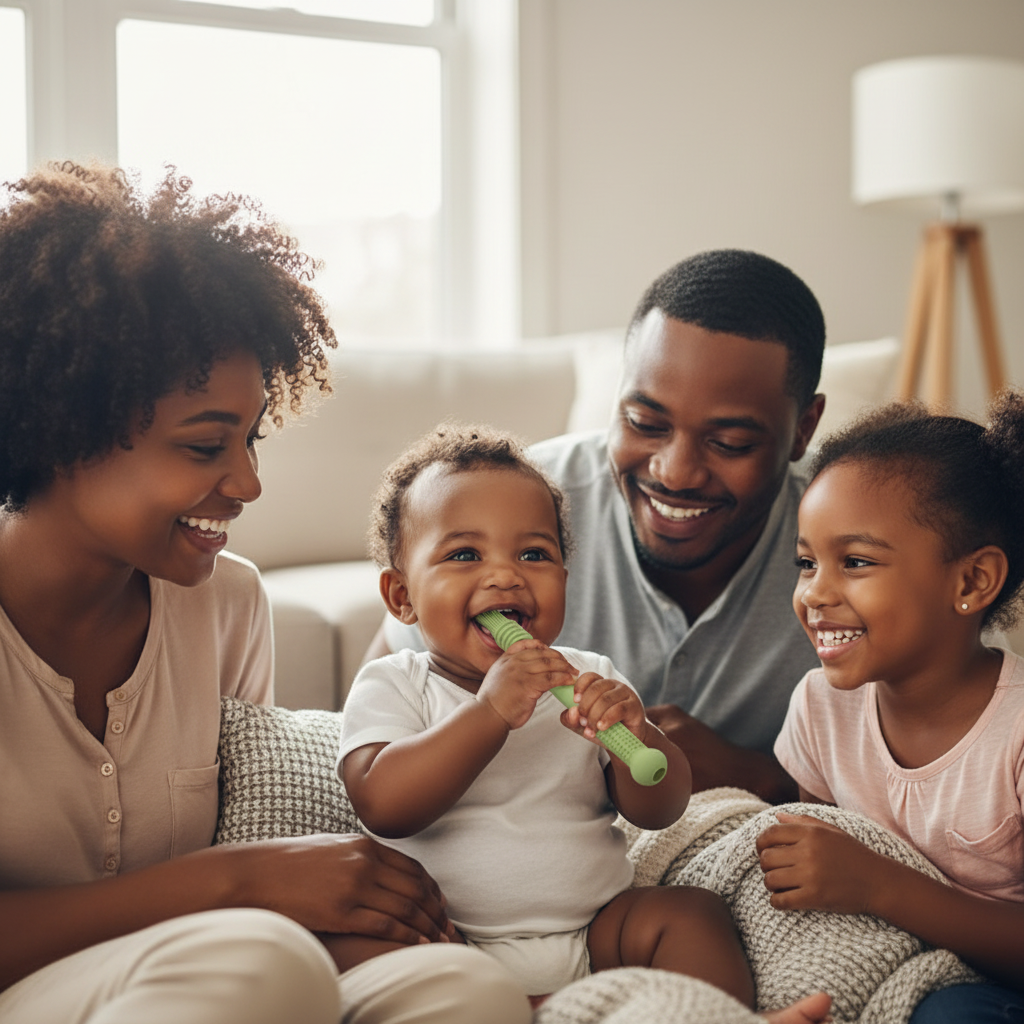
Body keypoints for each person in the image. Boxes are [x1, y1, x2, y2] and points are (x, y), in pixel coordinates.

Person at [0, 162, 530, 1024]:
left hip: (200, 970)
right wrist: (238, 880)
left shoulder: (225, 603)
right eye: (205, 446)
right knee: (256, 957)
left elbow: (250, 847)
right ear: (65, 430)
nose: (248, 484)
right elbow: (240, 889)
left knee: (461, 988)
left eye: (251, 440)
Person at [340, 423, 832, 1023]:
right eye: (464, 555)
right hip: (446, 940)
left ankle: (718, 1018)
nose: (505, 575)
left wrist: (637, 739)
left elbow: (660, 809)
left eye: (534, 554)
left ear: (565, 580)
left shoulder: (588, 677)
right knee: (345, 946)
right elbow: (383, 803)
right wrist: (489, 713)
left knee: (690, 914)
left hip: (593, 933)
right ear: (401, 597)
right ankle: (530, 1010)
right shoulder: (395, 683)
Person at [372, 249, 827, 803]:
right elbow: (374, 716)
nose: (674, 473)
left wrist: (762, 776)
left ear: (803, 429)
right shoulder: (515, 505)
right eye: (644, 422)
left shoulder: (855, 543)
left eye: (729, 443)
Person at [757, 395, 1024, 1023]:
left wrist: (880, 885)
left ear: (971, 582)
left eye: (855, 562)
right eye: (806, 563)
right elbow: (815, 871)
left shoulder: (1014, 734)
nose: (814, 593)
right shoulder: (821, 705)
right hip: (873, 965)